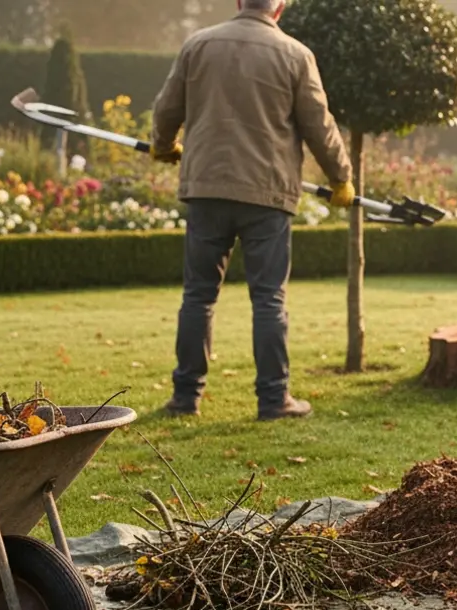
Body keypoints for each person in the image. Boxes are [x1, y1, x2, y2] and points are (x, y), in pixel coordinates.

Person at [149, 0, 355, 421]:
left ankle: (185, 398)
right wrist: (341, 178)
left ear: (239, 3)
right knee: (268, 300)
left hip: (206, 188)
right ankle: (273, 399)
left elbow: (168, 106)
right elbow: (319, 124)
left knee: (198, 297)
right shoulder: (295, 55)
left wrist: (164, 143)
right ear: (280, 7)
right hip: (268, 194)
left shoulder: (198, 44)